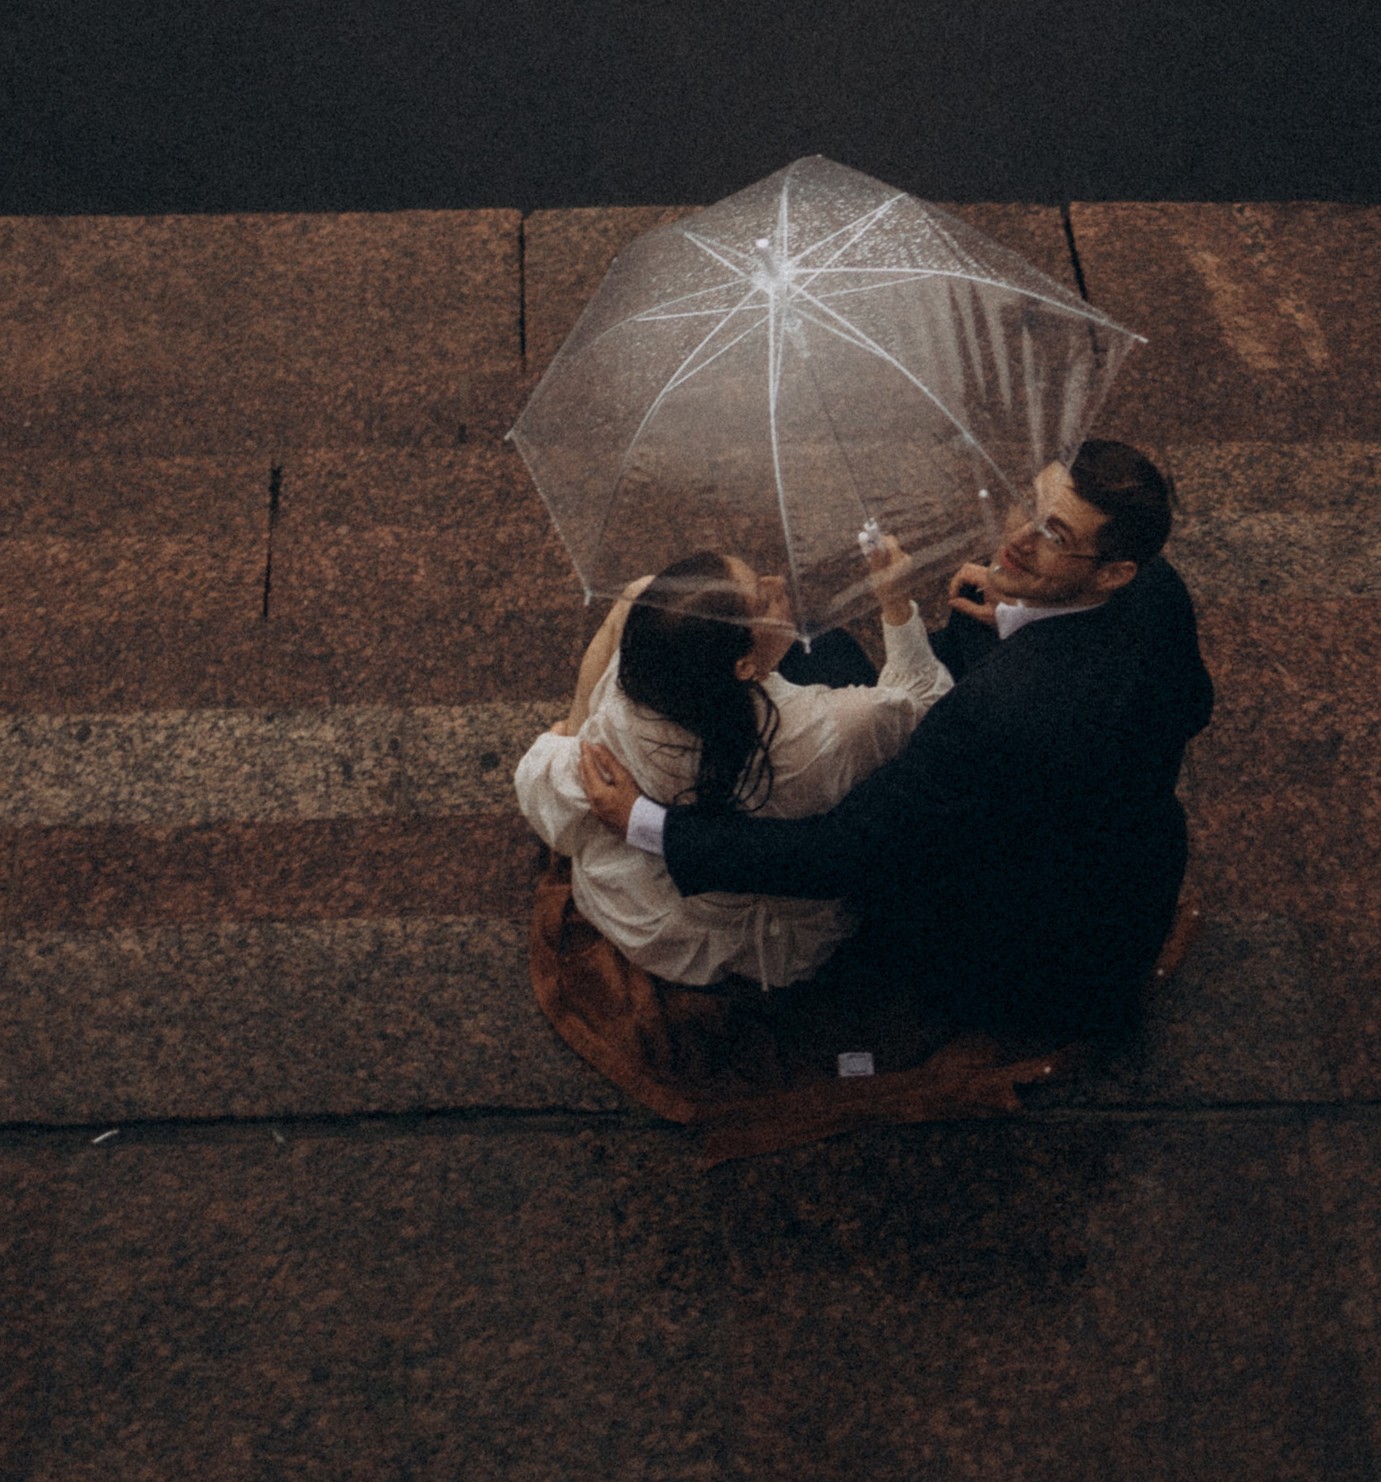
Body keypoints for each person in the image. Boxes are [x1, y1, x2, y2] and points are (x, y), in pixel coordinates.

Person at [577, 441, 1212, 1044]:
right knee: (829, 655)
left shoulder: (996, 714)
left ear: (1112, 572)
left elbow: (838, 853)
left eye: (1057, 537)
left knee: (817, 661)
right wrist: (1020, 617)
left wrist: (646, 823)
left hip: (1018, 952)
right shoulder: (1158, 589)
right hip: (1131, 880)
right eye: (1032, 506)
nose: (1017, 540)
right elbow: (1194, 707)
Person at [515, 533, 952, 991]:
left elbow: (543, 788)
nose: (776, 580)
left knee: (636, 594)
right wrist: (895, 601)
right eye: (763, 597)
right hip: (777, 915)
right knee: (833, 650)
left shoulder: (629, 703)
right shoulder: (842, 725)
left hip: (652, 913)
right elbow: (927, 702)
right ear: (744, 668)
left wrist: (561, 739)